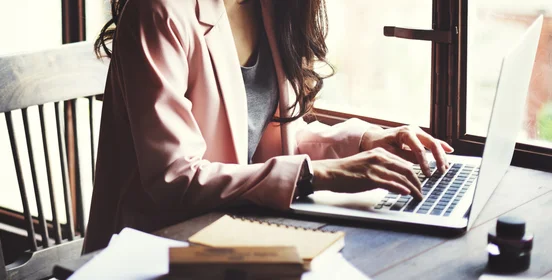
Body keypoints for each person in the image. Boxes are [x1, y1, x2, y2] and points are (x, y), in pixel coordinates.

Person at [83, 0, 454, 253]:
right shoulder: (159, 11)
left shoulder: (269, 7)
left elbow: (264, 138)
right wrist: (315, 175)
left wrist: (363, 141)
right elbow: (174, 177)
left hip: (235, 233)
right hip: (158, 245)